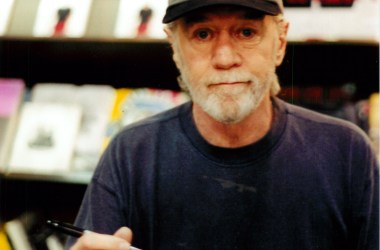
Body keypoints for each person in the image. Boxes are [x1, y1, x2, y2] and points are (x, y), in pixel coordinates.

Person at [66, 0, 379, 249]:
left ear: (280, 42)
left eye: (246, 32)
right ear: (174, 48)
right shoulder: (131, 153)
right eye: (203, 34)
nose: (225, 58)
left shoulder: (346, 152)